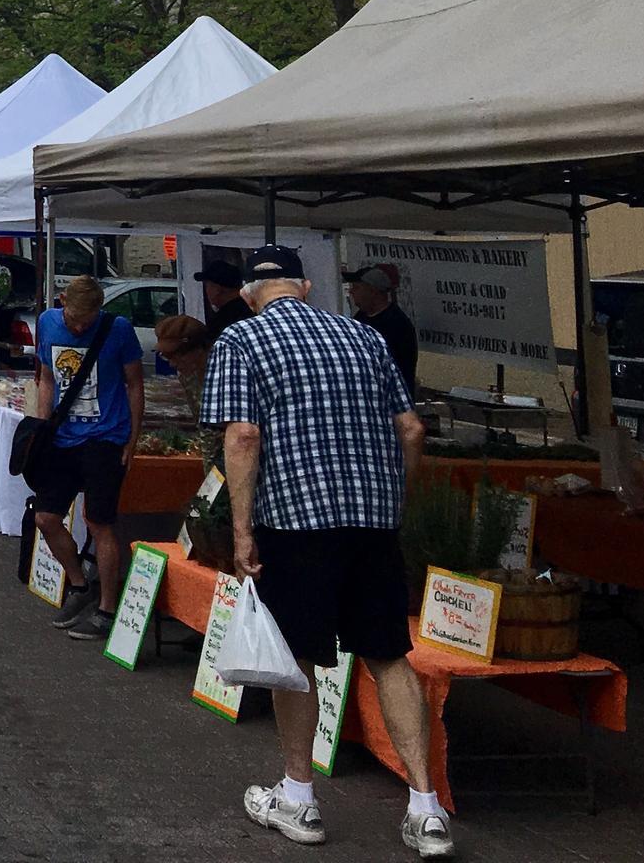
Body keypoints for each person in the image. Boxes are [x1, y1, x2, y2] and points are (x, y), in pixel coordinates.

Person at [204, 246, 451, 857]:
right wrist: (396, 503)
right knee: (390, 655)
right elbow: (412, 429)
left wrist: (240, 532)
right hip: (371, 523)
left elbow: (242, 434)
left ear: (245, 294)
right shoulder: (365, 338)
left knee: (297, 660)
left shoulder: (242, 340)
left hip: (294, 523)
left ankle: (299, 797)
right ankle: (426, 809)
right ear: (306, 286)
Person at [28, 274, 145, 638]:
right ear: (62, 302)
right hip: (63, 437)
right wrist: (43, 428)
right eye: (75, 319)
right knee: (45, 517)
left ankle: (108, 608)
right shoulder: (48, 322)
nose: (80, 326)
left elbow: (135, 383)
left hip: (105, 436)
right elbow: (46, 377)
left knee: (100, 522)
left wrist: (132, 439)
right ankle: (80, 584)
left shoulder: (118, 329)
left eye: (87, 321)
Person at [345, 261, 420, 397]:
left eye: (356, 287)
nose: (351, 292)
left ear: (372, 291)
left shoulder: (396, 324)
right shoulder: (360, 317)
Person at [197, 256, 251, 345]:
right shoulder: (253, 308)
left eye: (207, 285)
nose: (206, 290)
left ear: (217, 289)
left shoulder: (222, 320)